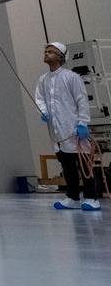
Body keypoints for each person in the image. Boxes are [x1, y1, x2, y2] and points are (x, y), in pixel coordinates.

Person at [34, 41, 101, 211]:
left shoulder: (72, 77)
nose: (46, 53)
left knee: (84, 164)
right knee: (67, 165)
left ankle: (92, 197)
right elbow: (40, 98)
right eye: (46, 51)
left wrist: (83, 123)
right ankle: (72, 197)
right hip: (56, 132)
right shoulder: (43, 80)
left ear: (61, 56)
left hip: (74, 129)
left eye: (51, 51)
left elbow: (82, 101)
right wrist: (43, 111)